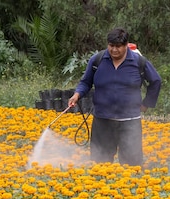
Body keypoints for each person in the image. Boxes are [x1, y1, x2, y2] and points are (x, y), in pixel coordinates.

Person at [68, 28, 161, 166]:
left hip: (129, 122)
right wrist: (77, 94)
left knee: (132, 165)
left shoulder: (138, 62)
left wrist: (146, 104)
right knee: (99, 164)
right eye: (111, 46)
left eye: (118, 46)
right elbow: (86, 82)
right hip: (102, 121)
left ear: (126, 45)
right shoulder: (97, 61)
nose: (114, 50)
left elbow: (156, 81)